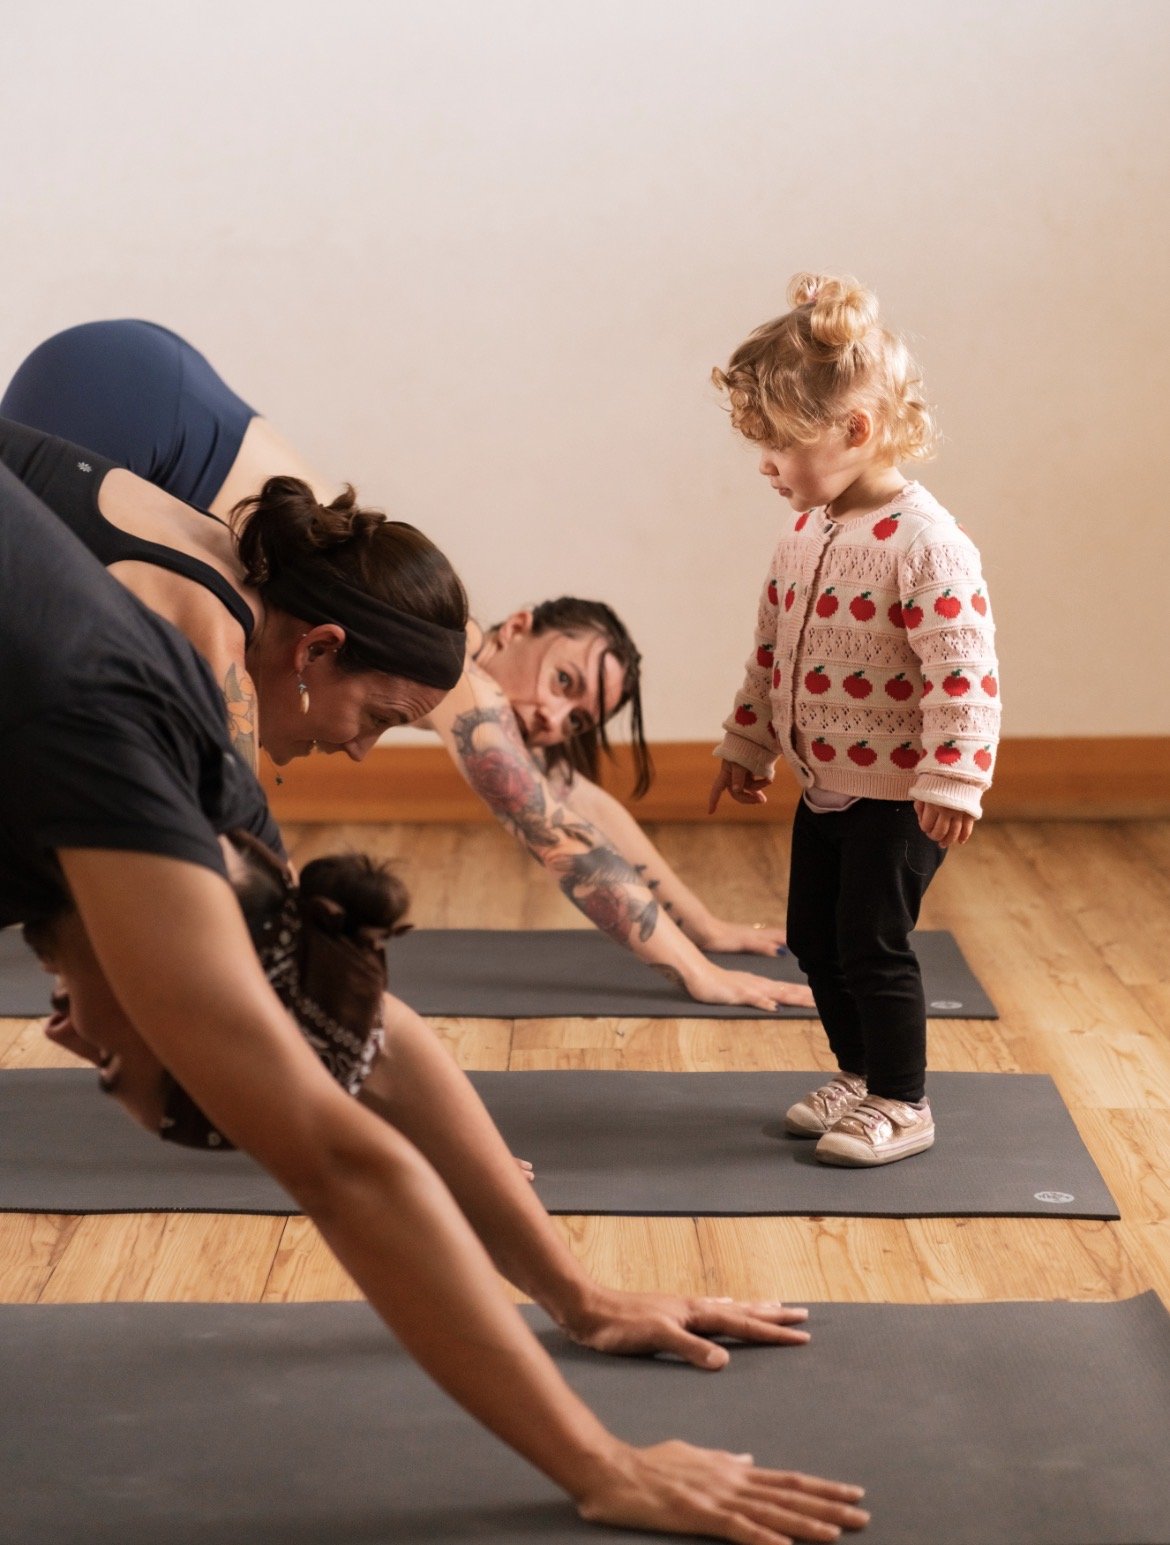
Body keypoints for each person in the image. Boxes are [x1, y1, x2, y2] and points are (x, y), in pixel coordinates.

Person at [0, 461, 869, 1542]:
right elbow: (341, 1158)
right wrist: (599, 1463)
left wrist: (578, 1294)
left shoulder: (181, 777)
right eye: (116, 1062)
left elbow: (367, 1035)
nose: (64, 1033)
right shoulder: (122, 742)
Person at [1, 335, 811, 1009]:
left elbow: (568, 800)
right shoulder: (441, 657)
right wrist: (693, 971)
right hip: (135, 409)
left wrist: (702, 928)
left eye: (577, 720)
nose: (552, 721)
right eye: (564, 683)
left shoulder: (401, 620)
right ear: (519, 626)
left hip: (150, 378)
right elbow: (552, 828)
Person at [709, 273, 1001, 1167]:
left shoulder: (928, 545)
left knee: (872, 942)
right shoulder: (805, 532)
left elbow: (965, 675)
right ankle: (864, 1073)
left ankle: (903, 1102)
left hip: (902, 793)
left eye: (780, 445)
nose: (766, 465)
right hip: (825, 781)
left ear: (856, 429)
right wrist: (747, 742)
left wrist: (954, 778)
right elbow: (772, 653)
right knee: (812, 936)